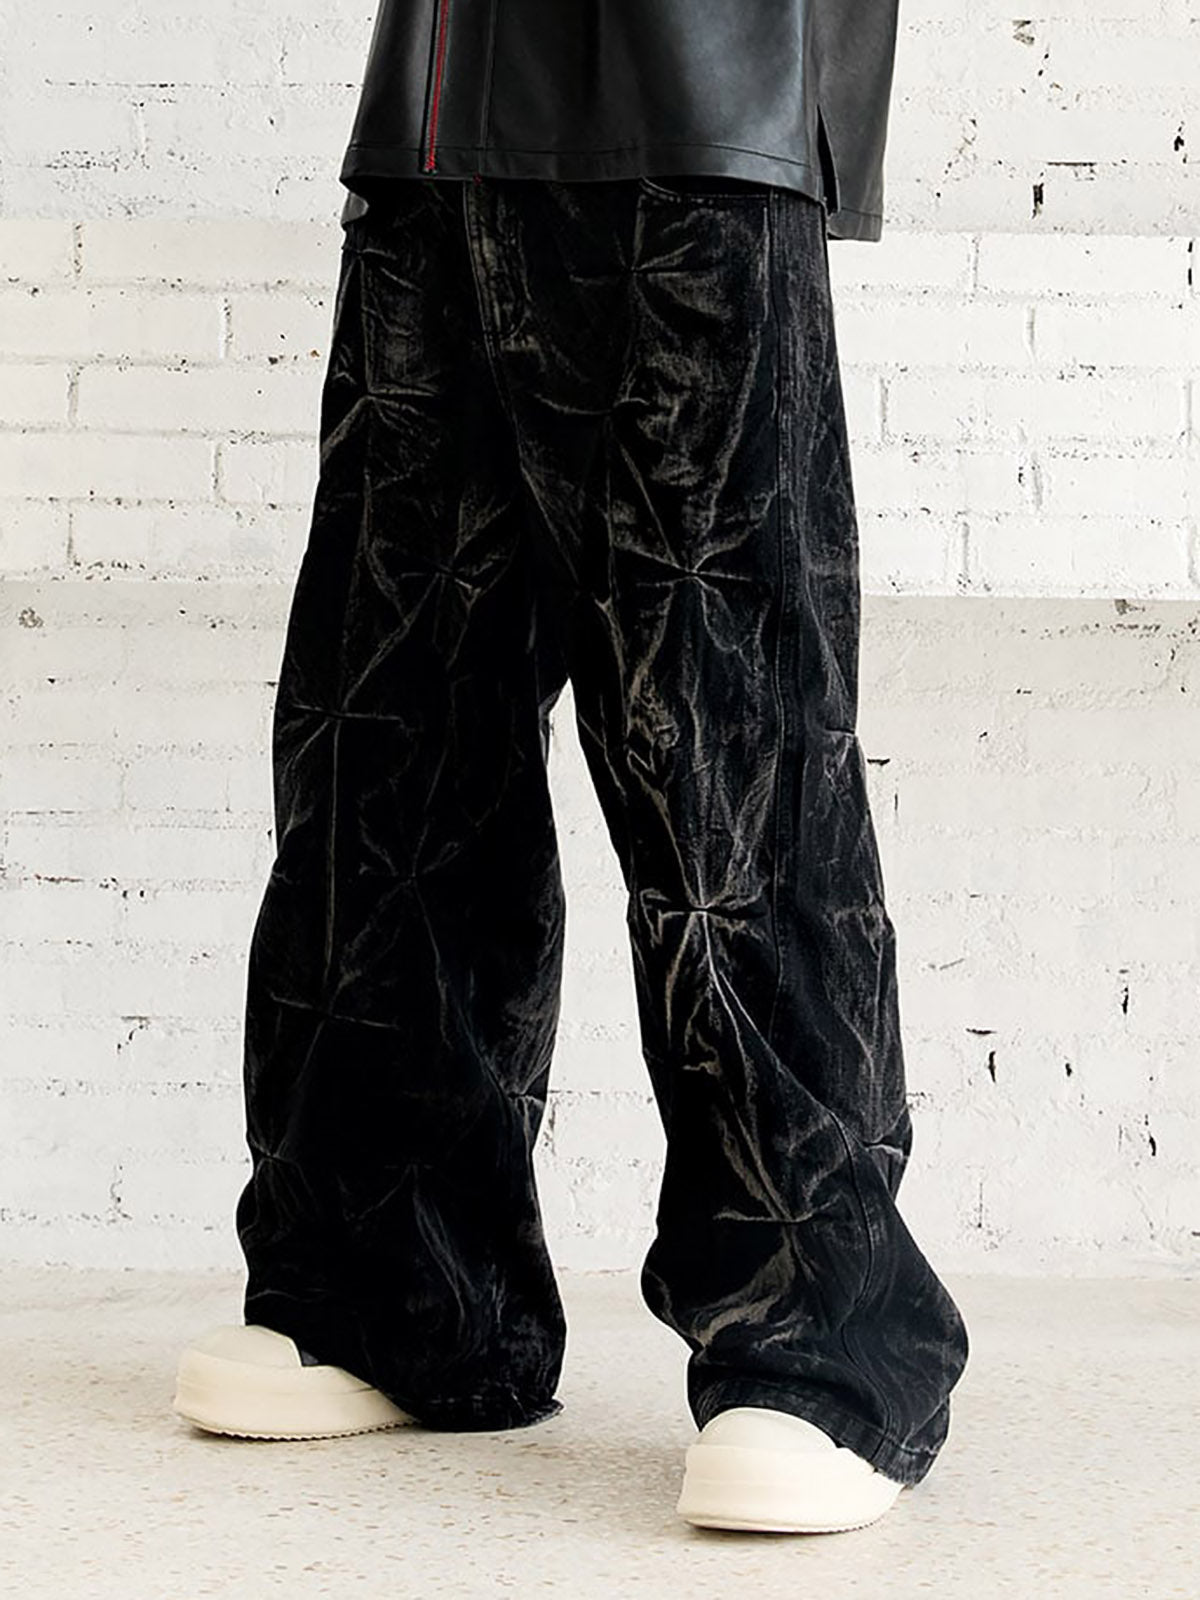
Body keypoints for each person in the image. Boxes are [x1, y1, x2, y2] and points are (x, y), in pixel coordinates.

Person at [173, 1, 970, 1536]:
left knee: (725, 745)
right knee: (386, 736)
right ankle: (400, 1296)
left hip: (695, 108)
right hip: (434, 120)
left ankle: (824, 1336)